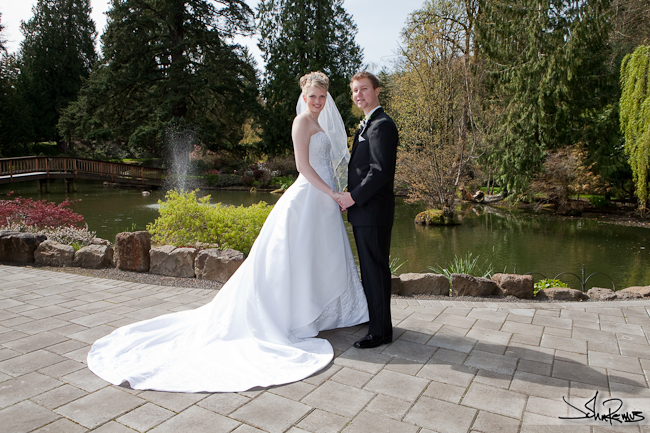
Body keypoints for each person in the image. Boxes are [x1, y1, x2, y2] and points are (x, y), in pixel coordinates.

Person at [86, 71, 369, 393]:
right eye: (312, 96)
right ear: (304, 97)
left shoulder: (321, 124)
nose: (317, 101)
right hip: (307, 198)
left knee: (319, 257)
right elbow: (303, 167)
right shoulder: (301, 122)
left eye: (322, 96)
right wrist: (331, 193)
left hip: (324, 201)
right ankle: (296, 315)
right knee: (296, 258)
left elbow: (328, 165)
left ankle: (322, 314)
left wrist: (336, 194)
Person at [337, 71, 399, 349]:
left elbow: (380, 171)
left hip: (373, 211)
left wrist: (353, 197)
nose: (358, 94)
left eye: (363, 89)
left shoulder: (382, 125)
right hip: (366, 211)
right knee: (371, 270)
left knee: (375, 271)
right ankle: (378, 322)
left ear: (376, 91)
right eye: (354, 90)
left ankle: (380, 332)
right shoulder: (367, 125)